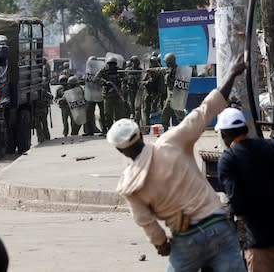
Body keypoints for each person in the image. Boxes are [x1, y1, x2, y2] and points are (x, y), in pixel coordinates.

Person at [106, 54, 247, 272]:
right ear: (141, 136)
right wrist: (231, 73)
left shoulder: (129, 184)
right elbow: (206, 109)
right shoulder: (172, 141)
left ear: (119, 150)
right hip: (218, 225)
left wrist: (161, 244)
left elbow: (147, 224)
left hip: (186, 237)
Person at [216, 107, 274, 272]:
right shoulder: (273, 147)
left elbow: (238, 205)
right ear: (245, 128)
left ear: (224, 135)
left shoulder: (229, 160)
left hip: (260, 244)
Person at [95, 56, 128, 129]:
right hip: (108, 95)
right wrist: (104, 82)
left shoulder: (119, 70)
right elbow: (96, 78)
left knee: (119, 113)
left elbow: (126, 77)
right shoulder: (104, 71)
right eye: (110, 64)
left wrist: (122, 79)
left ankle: (119, 128)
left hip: (117, 94)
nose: (111, 66)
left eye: (113, 64)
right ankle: (109, 128)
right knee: (108, 113)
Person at [161, 53, 186, 131]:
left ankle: (186, 130)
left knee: (180, 115)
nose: (166, 64)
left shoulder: (178, 71)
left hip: (177, 95)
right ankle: (165, 129)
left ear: (170, 62)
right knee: (165, 112)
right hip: (170, 95)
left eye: (167, 62)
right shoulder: (170, 69)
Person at [34, 77, 52, 143]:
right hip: (41, 110)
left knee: (39, 125)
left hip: (39, 110)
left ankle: (41, 139)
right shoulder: (43, 91)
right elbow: (50, 97)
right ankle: (45, 138)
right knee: (42, 125)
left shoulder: (38, 91)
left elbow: (50, 97)